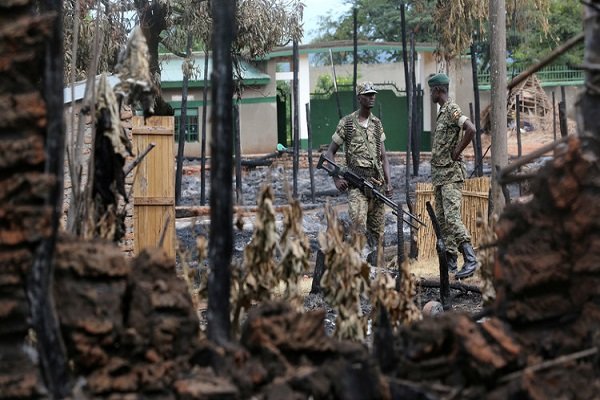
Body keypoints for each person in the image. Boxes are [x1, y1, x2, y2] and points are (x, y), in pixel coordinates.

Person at [324, 82, 393, 263]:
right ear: (359, 98)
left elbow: (384, 157)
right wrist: (336, 178)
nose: (372, 97)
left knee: (378, 233)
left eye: (373, 94)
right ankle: (356, 269)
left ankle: (377, 269)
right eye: (367, 94)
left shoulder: (377, 124)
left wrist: (389, 182)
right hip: (356, 185)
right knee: (358, 228)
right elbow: (329, 152)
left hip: (377, 186)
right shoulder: (347, 123)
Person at [428, 73, 479, 279]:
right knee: (441, 221)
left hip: (451, 176)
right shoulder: (442, 113)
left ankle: (470, 258)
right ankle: (450, 264)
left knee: (451, 217)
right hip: (440, 176)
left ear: (438, 90)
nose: (431, 94)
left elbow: (471, 129)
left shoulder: (451, 109)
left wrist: (457, 152)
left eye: (432, 90)